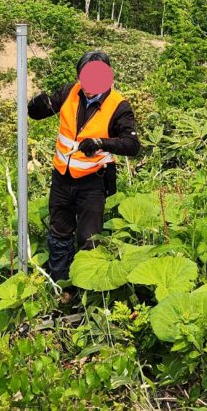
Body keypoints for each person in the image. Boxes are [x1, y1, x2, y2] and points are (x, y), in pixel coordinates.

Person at [28, 50, 141, 295]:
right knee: (59, 230)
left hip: (93, 180)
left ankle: (85, 292)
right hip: (62, 176)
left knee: (89, 238)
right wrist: (36, 106)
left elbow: (132, 145)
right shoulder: (71, 91)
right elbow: (42, 112)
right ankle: (60, 284)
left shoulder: (118, 105)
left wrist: (101, 142)